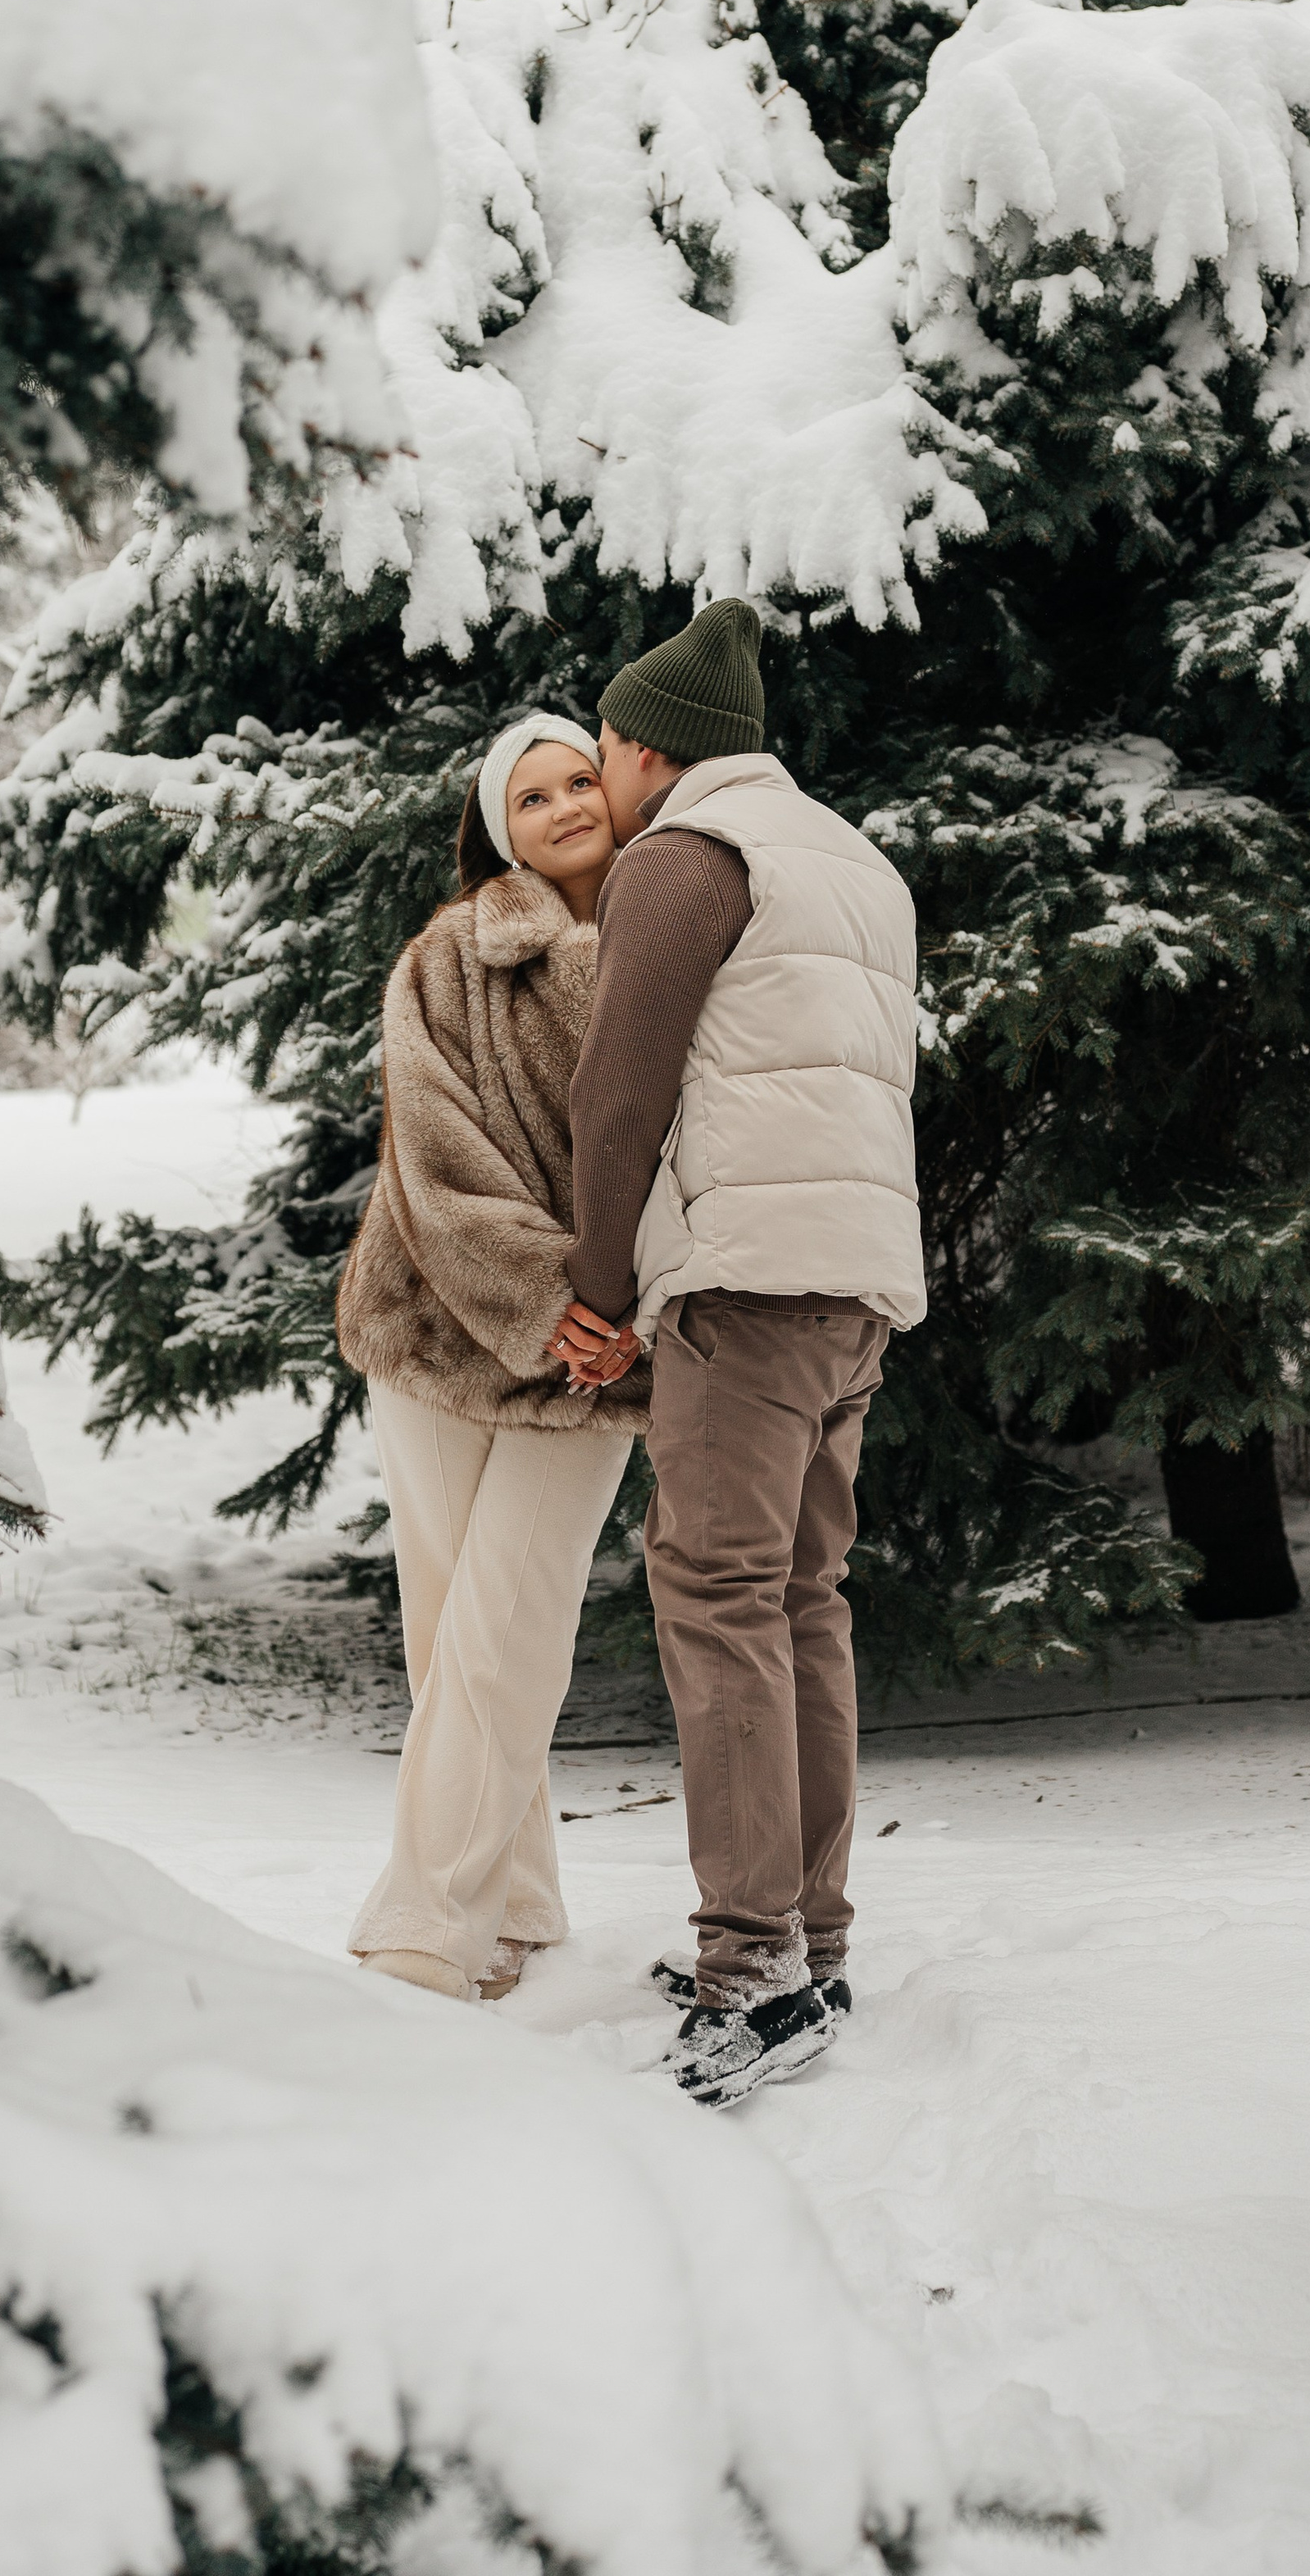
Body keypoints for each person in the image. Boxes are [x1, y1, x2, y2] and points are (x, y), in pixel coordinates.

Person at [546, 599, 926, 2107]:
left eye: (603, 755)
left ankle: (750, 1969)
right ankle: (811, 1940)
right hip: (854, 1290)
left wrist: (597, 1290)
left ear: (649, 749)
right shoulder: (855, 860)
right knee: (802, 1602)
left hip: (744, 1291)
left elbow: (619, 1091)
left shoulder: (686, 860)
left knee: (716, 1602)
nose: (598, 785)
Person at [339, 713, 650, 2006]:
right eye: (534, 795)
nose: (569, 805)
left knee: (508, 1623)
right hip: (434, 1324)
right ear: (496, 824)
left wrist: (614, 1309)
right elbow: (435, 1154)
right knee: (452, 1628)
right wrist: (546, 1298)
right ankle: (511, 1894)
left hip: (602, 1350)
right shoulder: (450, 954)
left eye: (584, 779)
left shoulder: (673, 941)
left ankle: (426, 1924)